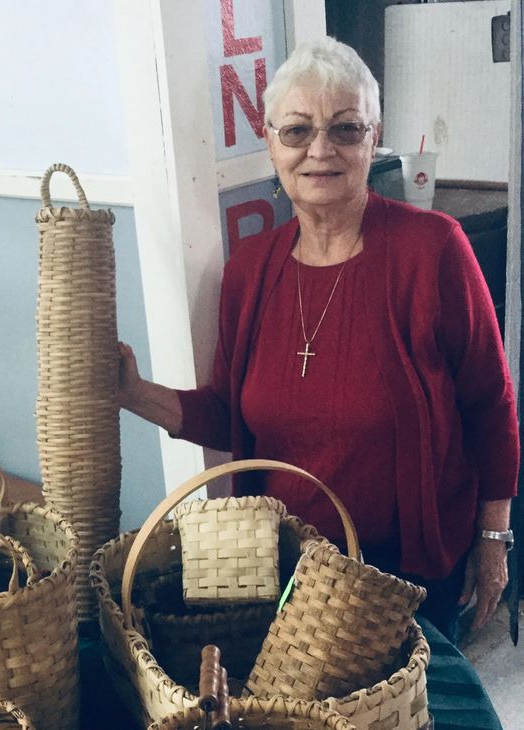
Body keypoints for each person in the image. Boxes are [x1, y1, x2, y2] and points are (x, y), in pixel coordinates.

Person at [118, 37, 518, 643]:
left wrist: (494, 542)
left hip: (407, 577)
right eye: (298, 131)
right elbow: (229, 413)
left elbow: (492, 406)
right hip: (285, 569)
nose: (320, 151)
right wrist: (132, 392)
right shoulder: (249, 272)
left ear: (374, 135)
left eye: (346, 129)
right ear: (272, 141)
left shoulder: (432, 249)